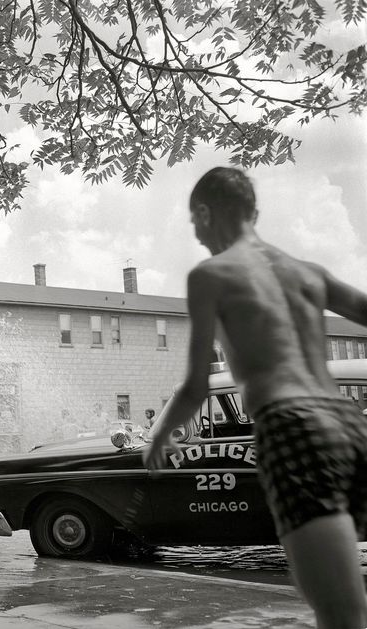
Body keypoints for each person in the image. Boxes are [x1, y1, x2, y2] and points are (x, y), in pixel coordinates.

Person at [144, 167, 367, 629]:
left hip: (295, 428)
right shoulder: (308, 273)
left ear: (205, 213)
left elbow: (197, 384)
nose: (197, 234)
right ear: (254, 212)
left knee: (340, 613)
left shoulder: (212, 275)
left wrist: (160, 435)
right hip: (350, 425)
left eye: (193, 222)